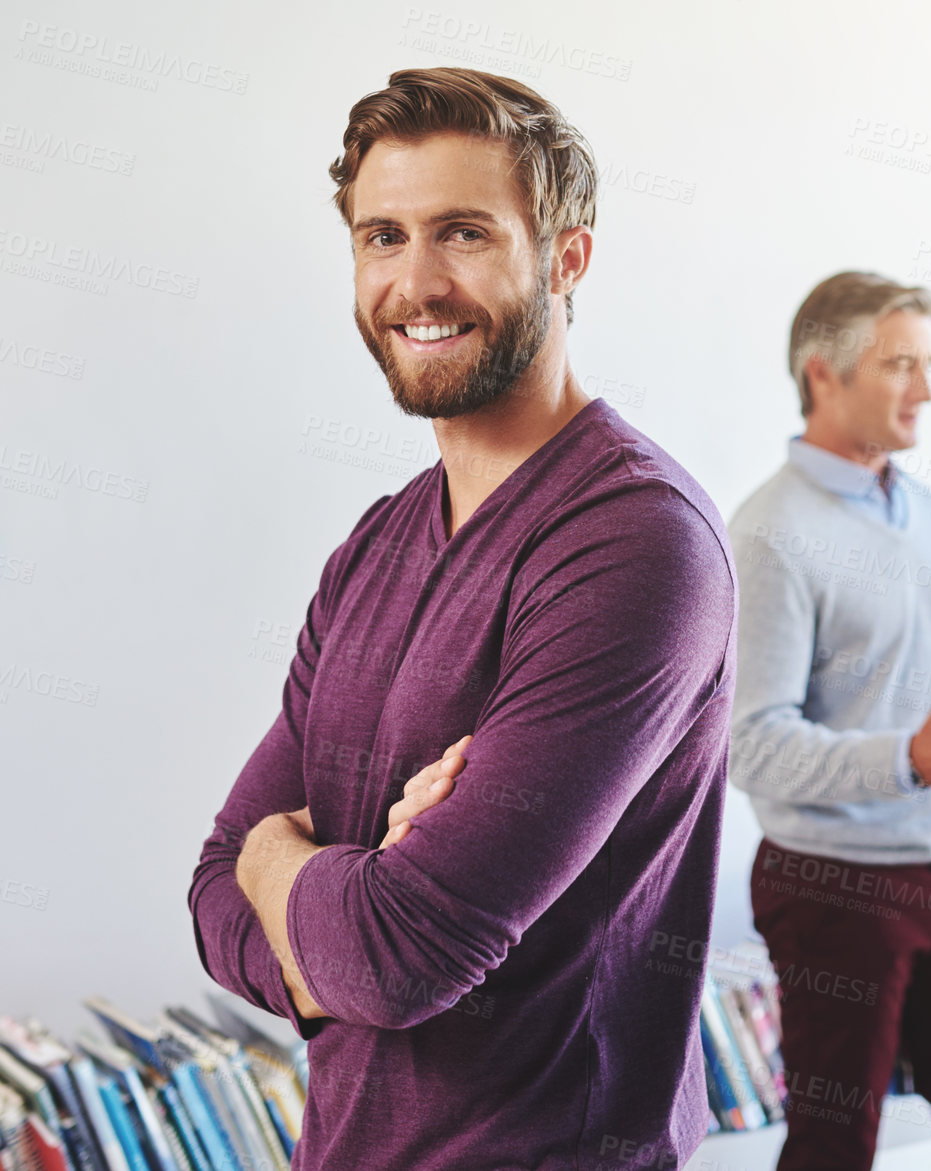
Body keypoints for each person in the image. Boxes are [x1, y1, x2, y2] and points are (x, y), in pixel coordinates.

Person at [187, 68, 737, 1171]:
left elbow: (398, 958)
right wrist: (324, 901)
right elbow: (212, 894)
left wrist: (282, 860)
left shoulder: (634, 544)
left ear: (566, 258)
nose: (417, 282)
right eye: (382, 237)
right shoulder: (376, 543)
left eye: (465, 234)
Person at [727, 271, 931, 1170]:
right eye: (902, 365)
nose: (925, 390)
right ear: (823, 373)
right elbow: (754, 743)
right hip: (835, 892)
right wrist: (909, 758)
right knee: (834, 1150)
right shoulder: (769, 532)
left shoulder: (922, 508)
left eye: (926, 365)